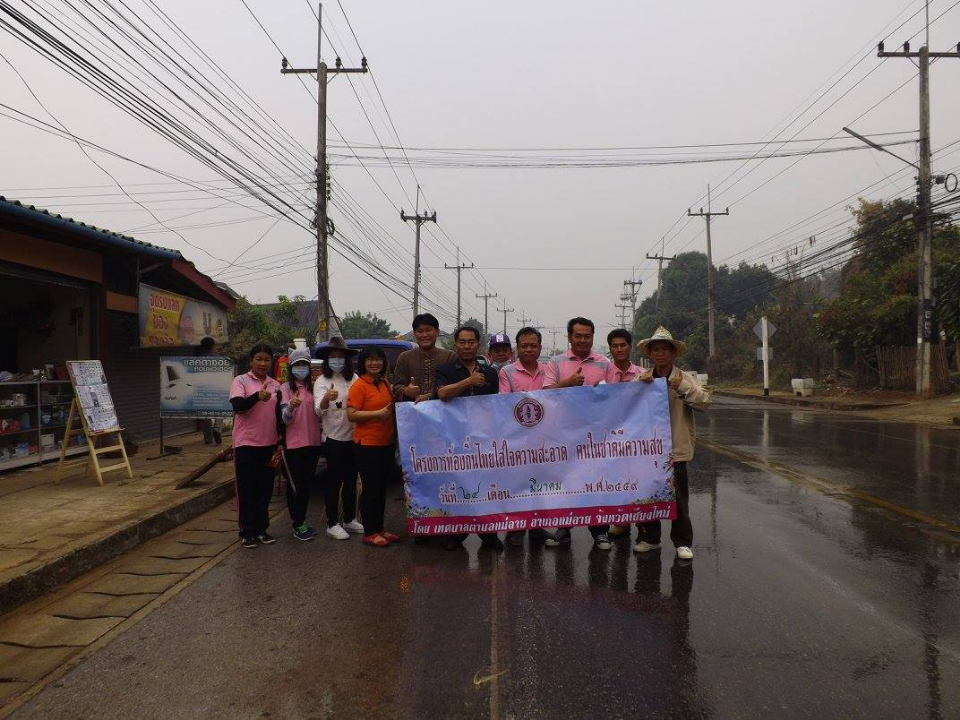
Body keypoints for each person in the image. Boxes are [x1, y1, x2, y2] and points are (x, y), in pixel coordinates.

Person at [635, 326, 711, 561]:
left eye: (664, 349)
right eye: (655, 349)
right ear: (650, 354)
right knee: (649, 496)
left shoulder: (684, 378)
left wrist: (682, 388)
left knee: (678, 498)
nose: (660, 354)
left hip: (675, 447)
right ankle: (650, 538)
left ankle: (683, 542)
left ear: (672, 353)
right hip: (649, 450)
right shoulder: (642, 379)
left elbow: (704, 401)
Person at [543, 317, 618, 551]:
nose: (583, 340)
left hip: (595, 436)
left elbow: (617, 397)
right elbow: (545, 394)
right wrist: (569, 383)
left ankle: (600, 532)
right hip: (563, 435)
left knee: (597, 483)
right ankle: (563, 529)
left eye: (587, 336)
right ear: (569, 337)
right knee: (565, 483)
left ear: (593, 337)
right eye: (578, 336)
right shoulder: (556, 363)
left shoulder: (605, 364)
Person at [436, 325, 504, 551]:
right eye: (462, 342)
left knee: (486, 487)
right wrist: (468, 382)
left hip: (484, 440)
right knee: (458, 486)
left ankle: (489, 533)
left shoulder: (491, 374)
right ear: (455, 345)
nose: (467, 346)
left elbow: (496, 406)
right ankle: (457, 533)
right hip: (455, 440)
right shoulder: (445, 370)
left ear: (478, 345)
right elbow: (442, 394)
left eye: (471, 342)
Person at [498, 326, 549, 547]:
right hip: (516, 438)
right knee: (517, 485)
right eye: (524, 346)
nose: (528, 349)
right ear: (517, 348)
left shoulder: (548, 370)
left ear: (540, 348)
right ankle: (515, 529)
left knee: (540, 484)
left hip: (544, 437)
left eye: (533, 346)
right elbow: (503, 403)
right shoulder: (506, 372)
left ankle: (537, 527)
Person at [229, 343, 282, 549]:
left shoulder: (275, 385)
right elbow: (237, 406)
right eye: (258, 359)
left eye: (267, 359)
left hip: (268, 444)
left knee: (265, 490)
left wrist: (280, 442)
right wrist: (256, 397)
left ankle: (261, 529)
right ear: (251, 361)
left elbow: (278, 416)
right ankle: (246, 531)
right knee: (246, 490)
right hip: (245, 444)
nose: (262, 363)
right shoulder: (240, 380)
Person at [347, 347, 401, 548]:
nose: (374, 363)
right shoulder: (359, 385)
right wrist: (377, 414)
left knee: (381, 488)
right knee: (371, 489)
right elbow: (351, 414)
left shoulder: (384, 383)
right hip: (367, 445)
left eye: (378, 359)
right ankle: (370, 531)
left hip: (386, 443)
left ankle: (379, 527)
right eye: (369, 360)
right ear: (363, 363)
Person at [314, 337, 364, 541]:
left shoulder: (355, 379)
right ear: (327, 359)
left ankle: (350, 518)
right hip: (333, 438)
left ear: (347, 359)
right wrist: (327, 398)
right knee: (334, 481)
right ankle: (332, 523)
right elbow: (318, 410)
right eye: (333, 356)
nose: (337, 360)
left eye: (340, 356)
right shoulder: (321, 381)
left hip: (354, 436)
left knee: (351, 480)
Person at [279, 348, 321, 541]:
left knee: (306, 485)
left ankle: (302, 521)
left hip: (313, 443)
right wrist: (290, 407)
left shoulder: (313, 388)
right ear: (291, 367)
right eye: (298, 365)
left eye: (304, 364)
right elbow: (284, 419)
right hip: (294, 445)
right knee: (295, 486)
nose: (301, 368)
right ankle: (297, 524)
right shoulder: (285, 389)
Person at [606, 328, 644, 540]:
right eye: (615, 346)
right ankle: (620, 520)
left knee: (638, 478)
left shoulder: (643, 375)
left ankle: (643, 522)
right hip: (610, 437)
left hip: (636, 437)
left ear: (630, 347)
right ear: (610, 349)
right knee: (615, 479)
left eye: (623, 345)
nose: (619, 349)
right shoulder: (603, 374)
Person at [392, 313, 455, 404]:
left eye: (428, 330)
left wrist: (430, 396)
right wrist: (406, 390)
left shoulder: (449, 356)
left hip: (444, 409)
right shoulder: (405, 357)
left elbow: (457, 386)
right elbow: (396, 387)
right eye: (420, 331)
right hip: (414, 409)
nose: (424, 335)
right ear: (414, 334)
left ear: (437, 332)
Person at [196, 336, 222, 445]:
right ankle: (217, 428)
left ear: (202, 347)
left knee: (205, 412)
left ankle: (208, 437)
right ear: (213, 346)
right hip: (217, 387)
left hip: (203, 388)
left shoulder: (197, 360)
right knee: (220, 409)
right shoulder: (219, 359)